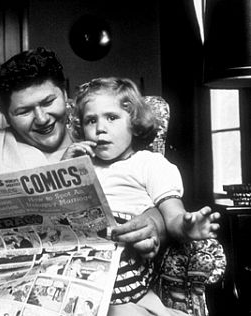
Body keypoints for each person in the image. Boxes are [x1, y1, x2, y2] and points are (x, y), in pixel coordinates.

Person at [0, 48, 167, 290]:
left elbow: (151, 193)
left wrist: (153, 225)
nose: (42, 118)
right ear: (5, 115)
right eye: (24, 111)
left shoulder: (103, 141)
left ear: (64, 94)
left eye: (49, 102)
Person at [62, 77, 221, 316]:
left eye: (112, 117)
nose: (100, 128)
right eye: (90, 120)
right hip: (78, 253)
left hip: (125, 253)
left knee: (116, 309)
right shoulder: (80, 164)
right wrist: (63, 169)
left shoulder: (149, 164)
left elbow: (173, 214)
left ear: (134, 123)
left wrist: (187, 227)